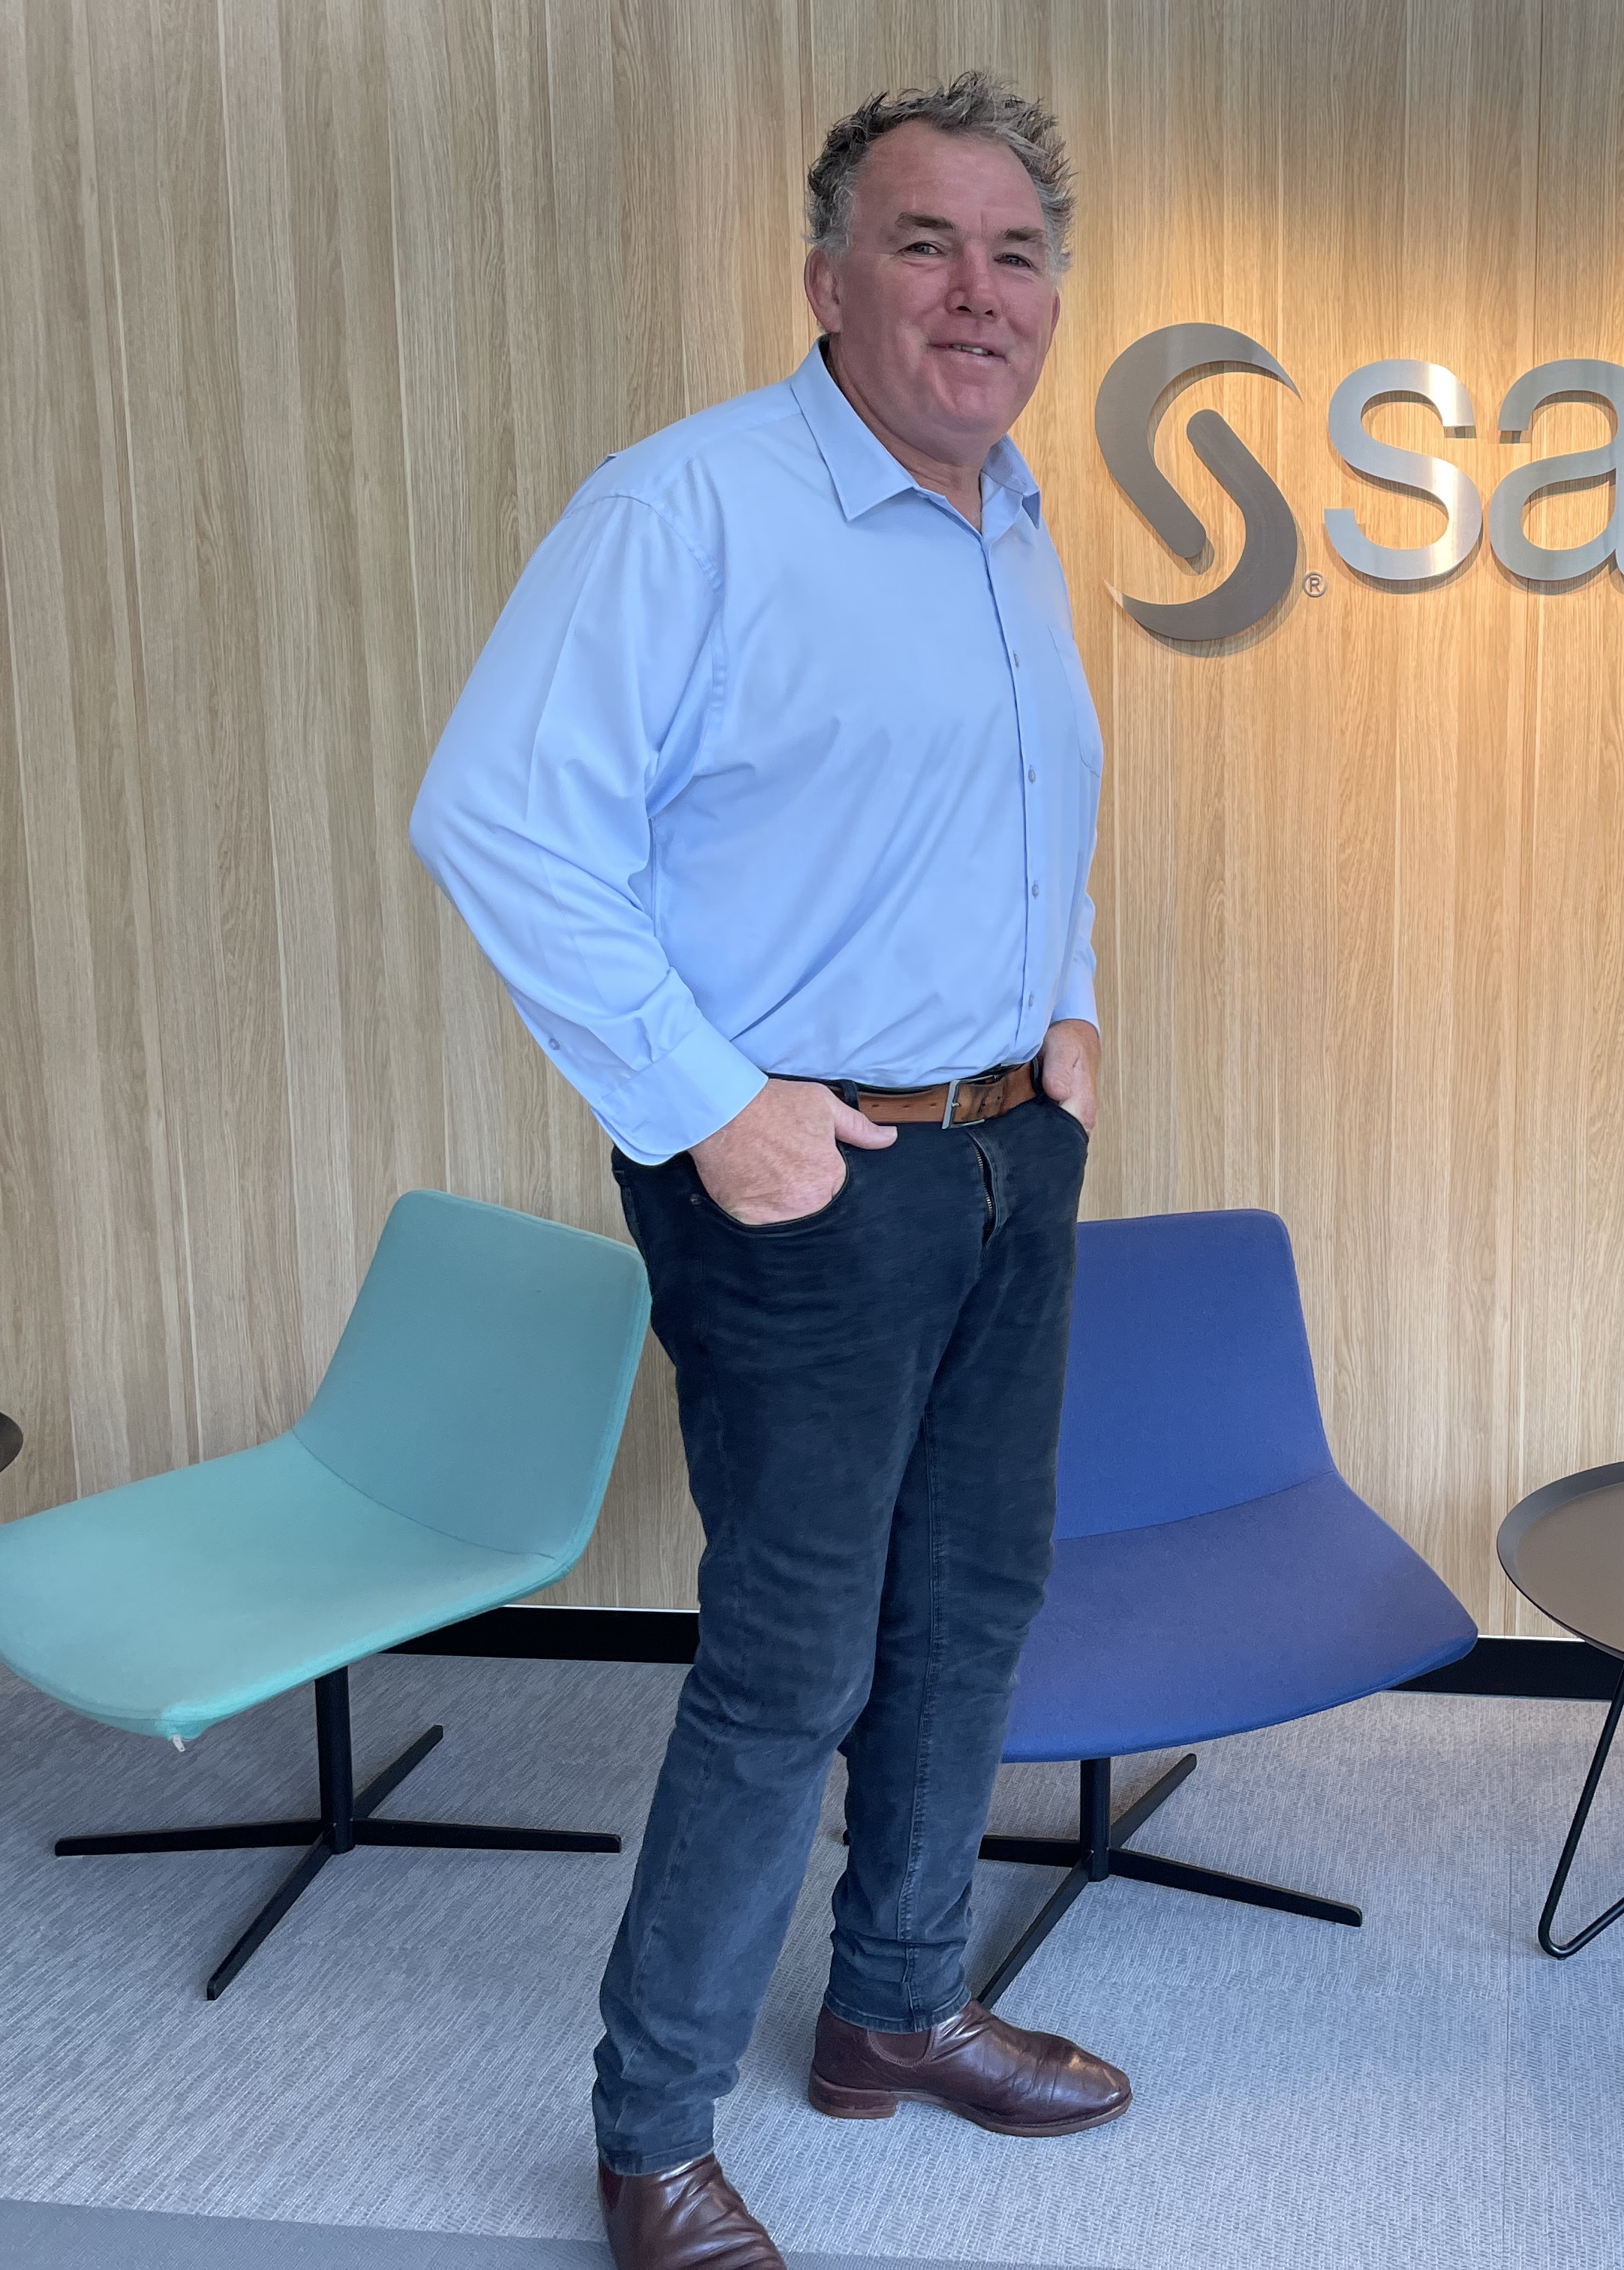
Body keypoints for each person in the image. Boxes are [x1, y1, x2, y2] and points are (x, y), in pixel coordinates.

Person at [411, 74, 1126, 2270]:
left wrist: (1069, 1014)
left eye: (1015, 254)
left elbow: (1014, 816)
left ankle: (896, 2012)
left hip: (1010, 1159)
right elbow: (496, 816)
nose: (976, 291)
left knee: (973, 1609)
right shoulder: (690, 508)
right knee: (791, 1664)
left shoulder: (1012, 517)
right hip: (805, 1183)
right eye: (925, 244)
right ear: (828, 281)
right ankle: (648, 2134)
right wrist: (708, 1105)